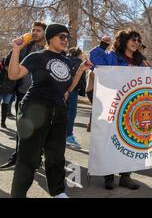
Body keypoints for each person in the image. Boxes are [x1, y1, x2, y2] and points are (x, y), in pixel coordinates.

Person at [9, 24, 92, 198]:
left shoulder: (67, 61)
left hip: (59, 112)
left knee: (56, 157)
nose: (65, 40)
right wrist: (16, 49)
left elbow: (67, 88)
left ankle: (58, 192)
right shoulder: (36, 57)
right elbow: (14, 74)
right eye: (62, 36)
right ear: (51, 37)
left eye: (67, 37)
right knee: (29, 158)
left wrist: (80, 71)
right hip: (34, 110)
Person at [90, 29, 150, 190]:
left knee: (130, 141)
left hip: (132, 106)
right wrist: (102, 46)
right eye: (133, 39)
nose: (136, 42)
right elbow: (95, 60)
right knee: (110, 140)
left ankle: (126, 176)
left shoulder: (140, 61)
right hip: (112, 104)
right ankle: (108, 176)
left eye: (138, 40)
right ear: (124, 41)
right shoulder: (112, 56)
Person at [0, 21, 47, 170]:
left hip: (42, 95)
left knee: (39, 128)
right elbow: (8, 63)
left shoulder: (49, 49)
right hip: (23, 93)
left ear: (45, 33)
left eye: (38, 30)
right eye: (33, 29)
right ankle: (17, 156)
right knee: (22, 128)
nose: (34, 32)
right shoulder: (26, 46)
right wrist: (16, 47)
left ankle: (37, 157)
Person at [65, 47, 87, 148]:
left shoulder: (65, 60)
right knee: (71, 112)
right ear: (79, 54)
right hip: (72, 89)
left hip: (64, 89)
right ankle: (68, 136)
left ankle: (65, 135)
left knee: (65, 112)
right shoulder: (78, 62)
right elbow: (75, 76)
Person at [0, 57, 15, 128]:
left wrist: (13, 89)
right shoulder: (1, 71)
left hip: (9, 92)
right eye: (7, 65)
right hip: (0, 91)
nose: (8, 67)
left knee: (5, 107)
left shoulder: (12, 72)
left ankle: (3, 122)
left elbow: (16, 81)